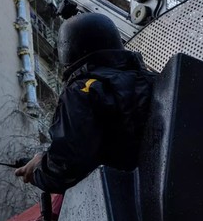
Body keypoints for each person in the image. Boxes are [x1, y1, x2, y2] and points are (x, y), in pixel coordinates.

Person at [15, 12, 154, 193]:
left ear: (68, 50)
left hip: (130, 207)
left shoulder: (83, 90)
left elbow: (66, 166)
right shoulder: (155, 81)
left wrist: (39, 170)